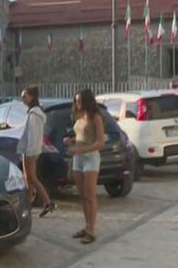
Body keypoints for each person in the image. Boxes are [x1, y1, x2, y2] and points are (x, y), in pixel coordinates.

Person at [65, 88, 105, 244]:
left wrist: (81, 149)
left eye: (80, 100)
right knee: (82, 195)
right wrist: (72, 141)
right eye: (76, 101)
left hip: (90, 158)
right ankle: (87, 225)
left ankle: (91, 229)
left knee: (90, 195)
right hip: (78, 158)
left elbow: (100, 143)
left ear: (87, 100)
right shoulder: (80, 116)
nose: (77, 103)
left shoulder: (96, 118)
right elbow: (82, 136)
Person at [16, 86, 56, 218]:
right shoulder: (33, 113)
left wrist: (29, 151)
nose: (23, 99)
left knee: (32, 178)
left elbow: (33, 135)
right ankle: (28, 205)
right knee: (29, 179)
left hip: (31, 150)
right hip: (29, 150)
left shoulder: (34, 115)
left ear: (32, 97)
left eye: (25, 96)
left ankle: (48, 202)